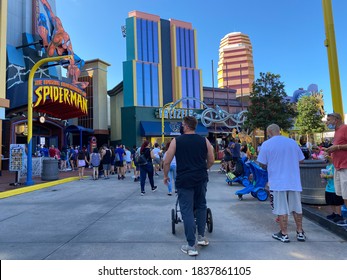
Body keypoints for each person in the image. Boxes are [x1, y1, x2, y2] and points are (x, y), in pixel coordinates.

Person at [163, 116, 215, 256]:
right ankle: (202, 238)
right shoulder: (204, 140)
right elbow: (211, 159)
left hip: (184, 180)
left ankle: (191, 245)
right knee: (201, 206)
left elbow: (167, 161)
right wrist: (204, 168)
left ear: (185, 126)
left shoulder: (176, 141)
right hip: (201, 178)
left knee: (186, 210)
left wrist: (166, 176)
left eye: (182, 124)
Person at [257, 124, 306, 243]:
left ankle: (284, 234)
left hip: (278, 181)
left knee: (281, 208)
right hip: (293, 180)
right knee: (297, 207)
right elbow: (301, 160)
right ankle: (300, 232)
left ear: (269, 132)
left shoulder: (267, 144)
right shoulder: (292, 142)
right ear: (279, 131)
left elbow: (262, 163)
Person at [323, 112, 347, 226]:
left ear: (336, 120)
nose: (327, 123)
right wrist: (329, 153)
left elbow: (341, 147)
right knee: (341, 194)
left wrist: (337, 147)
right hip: (338, 167)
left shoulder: (345, 128)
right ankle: (341, 216)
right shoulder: (337, 132)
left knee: (346, 194)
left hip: (345, 167)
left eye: (329, 120)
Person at [320, 154, 344, 223]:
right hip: (329, 186)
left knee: (337, 202)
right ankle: (334, 213)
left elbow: (335, 175)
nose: (326, 158)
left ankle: (339, 215)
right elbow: (327, 174)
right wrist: (323, 177)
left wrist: (326, 176)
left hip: (335, 187)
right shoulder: (328, 166)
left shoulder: (335, 166)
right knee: (331, 201)